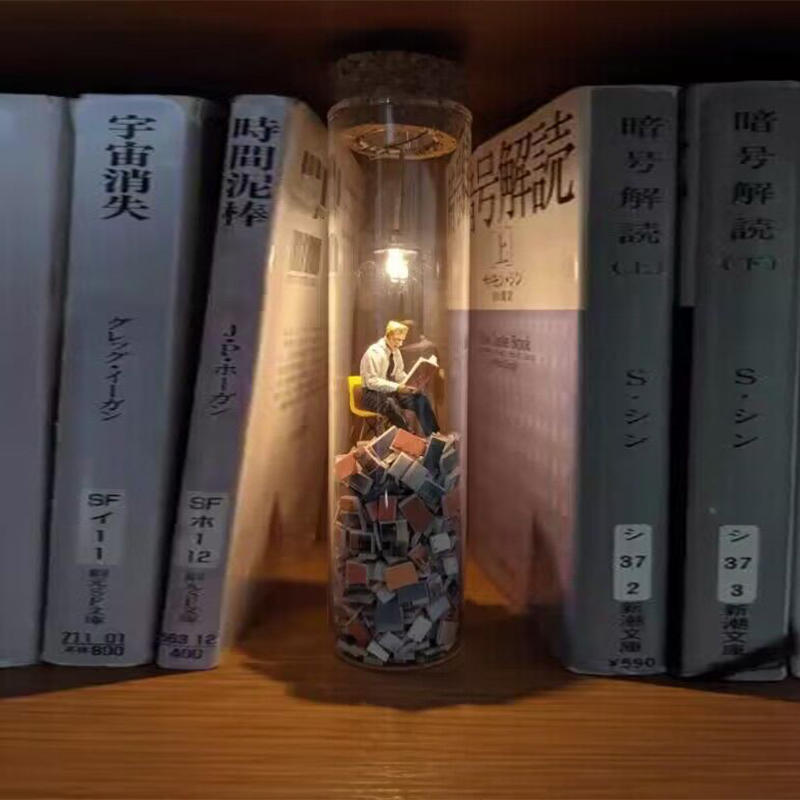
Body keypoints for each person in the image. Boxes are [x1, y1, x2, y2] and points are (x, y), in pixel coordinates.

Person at [359, 320, 440, 436]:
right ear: (388, 335)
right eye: (397, 340)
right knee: (391, 404)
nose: (400, 344)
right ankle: (408, 437)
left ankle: (434, 435)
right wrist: (397, 387)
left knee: (420, 399)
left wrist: (411, 384)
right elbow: (372, 382)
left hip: (390, 391)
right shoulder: (374, 352)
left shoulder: (396, 352)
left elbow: (399, 375)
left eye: (402, 340)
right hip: (371, 394)